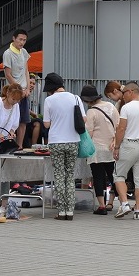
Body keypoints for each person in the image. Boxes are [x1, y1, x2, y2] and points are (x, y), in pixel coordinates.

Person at [42, 73, 85, 221]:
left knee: (59, 175)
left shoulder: (49, 100)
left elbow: (46, 124)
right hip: (73, 140)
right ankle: (70, 211)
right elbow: (83, 119)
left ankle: (62, 211)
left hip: (56, 142)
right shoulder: (75, 98)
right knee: (70, 175)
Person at [112, 82, 139, 220]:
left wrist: (117, 146)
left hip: (128, 145)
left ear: (131, 92)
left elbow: (121, 129)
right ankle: (138, 210)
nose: (123, 96)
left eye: (124, 92)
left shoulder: (127, 108)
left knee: (119, 175)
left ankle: (124, 203)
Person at [81, 84, 119, 215]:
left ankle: (102, 206)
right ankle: (121, 201)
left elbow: (89, 133)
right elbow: (118, 126)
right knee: (113, 176)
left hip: (96, 149)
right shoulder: (111, 107)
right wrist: (114, 140)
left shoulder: (91, 112)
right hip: (111, 148)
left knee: (98, 177)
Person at [3, 29, 31, 150]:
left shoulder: (24, 52)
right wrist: (19, 89)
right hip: (13, 91)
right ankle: (9, 144)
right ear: (14, 38)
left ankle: (19, 145)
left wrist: (28, 88)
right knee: (11, 119)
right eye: (20, 39)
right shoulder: (8, 53)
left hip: (24, 90)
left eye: (24, 40)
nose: (22, 42)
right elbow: (8, 75)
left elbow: (26, 71)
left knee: (23, 120)